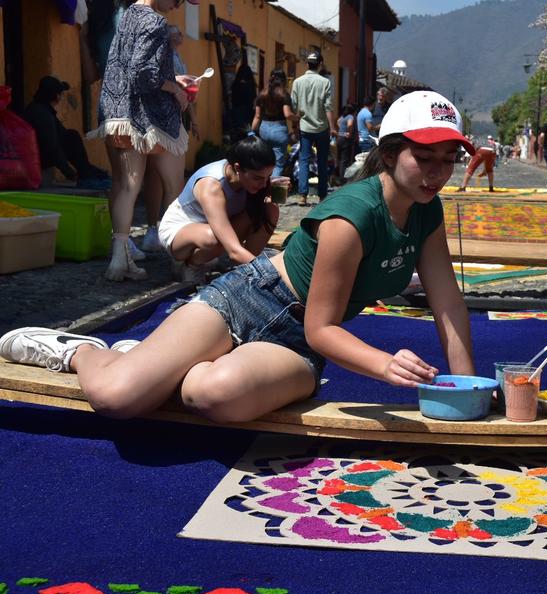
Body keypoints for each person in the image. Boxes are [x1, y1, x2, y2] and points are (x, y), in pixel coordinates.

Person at [0, 91, 477, 425]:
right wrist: (384, 365)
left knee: (209, 394)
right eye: (424, 157)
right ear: (392, 154)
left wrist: (467, 389)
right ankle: (82, 351)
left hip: (294, 343)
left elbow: (448, 304)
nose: (438, 173)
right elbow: (325, 328)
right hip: (249, 296)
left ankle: (153, 362)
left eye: (448, 159)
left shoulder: (425, 212)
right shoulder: (349, 218)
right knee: (115, 398)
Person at [87, 0, 190, 282]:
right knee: (174, 189)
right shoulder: (156, 23)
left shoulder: (126, 16)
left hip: (117, 112)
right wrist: (176, 89)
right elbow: (143, 75)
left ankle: (119, 259)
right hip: (152, 118)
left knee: (125, 185)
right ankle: (179, 259)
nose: (177, 5)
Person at [157, 135, 278, 282]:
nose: (264, 184)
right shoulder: (212, 185)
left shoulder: (246, 176)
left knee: (269, 210)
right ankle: (191, 265)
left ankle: (244, 271)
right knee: (214, 239)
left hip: (214, 226)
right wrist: (270, 276)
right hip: (179, 230)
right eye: (258, 178)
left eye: (268, 176)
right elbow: (232, 248)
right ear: (237, 168)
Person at [139, 23, 199, 254]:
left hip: (162, 118)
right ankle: (171, 236)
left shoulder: (173, 55)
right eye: (177, 33)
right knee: (170, 183)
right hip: (163, 121)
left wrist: (192, 117)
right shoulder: (165, 55)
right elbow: (170, 84)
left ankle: (156, 231)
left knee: (153, 177)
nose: (182, 35)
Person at [22, 76, 110, 189]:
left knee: (70, 136)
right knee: (72, 137)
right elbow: (51, 147)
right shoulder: (43, 115)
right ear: (56, 96)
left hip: (41, 154)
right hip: (38, 157)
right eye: (60, 94)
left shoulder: (41, 109)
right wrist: (69, 173)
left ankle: (89, 172)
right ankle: (87, 176)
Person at [291, 50, 337, 205]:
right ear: (321, 65)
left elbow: (294, 106)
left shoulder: (297, 82)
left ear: (307, 64)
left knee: (303, 160)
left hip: (304, 127)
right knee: (322, 161)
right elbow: (328, 107)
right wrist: (332, 127)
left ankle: (303, 195)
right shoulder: (325, 82)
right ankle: (322, 195)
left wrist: (295, 125)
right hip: (322, 128)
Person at [251, 69, 296, 178]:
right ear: (284, 81)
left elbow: (257, 116)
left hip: (264, 129)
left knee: (265, 161)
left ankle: (263, 187)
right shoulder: (284, 95)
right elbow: (287, 114)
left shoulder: (262, 95)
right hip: (279, 130)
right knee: (278, 164)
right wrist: (298, 117)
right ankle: (273, 190)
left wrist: (252, 132)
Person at [335, 103, 356, 184]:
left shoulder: (342, 117)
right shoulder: (350, 116)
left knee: (339, 159)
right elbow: (350, 124)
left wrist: (341, 130)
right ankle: (343, 179)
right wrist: (349, 132)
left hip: (339, 138)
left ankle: (339, 177)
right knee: (345, 160)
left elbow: (337, 122)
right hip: (345, 139)